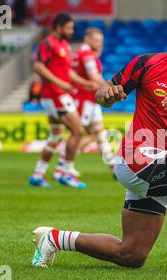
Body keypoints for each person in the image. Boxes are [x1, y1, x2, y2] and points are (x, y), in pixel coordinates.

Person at [31, 14, 167, 274]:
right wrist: (108, 95)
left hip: (162, 165)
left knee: (130, 254)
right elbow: (102, 93)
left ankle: (55, 239)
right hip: (136, 157)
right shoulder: (148, 63)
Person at [28, 13, 94, 189]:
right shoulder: (48, 43)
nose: (71, 31)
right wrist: (61, 84)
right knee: (78, 131)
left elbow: (68, 72)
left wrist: (85, 83)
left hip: (57, 94)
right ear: (58, 27)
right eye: (69, 28)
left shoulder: (64, 44)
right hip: (54, 95)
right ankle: (66, 172)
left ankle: (38, 174)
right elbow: (38, 66)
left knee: (56, 135)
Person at [54, 27, 115, 180]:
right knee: (78, 134)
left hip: (90, 99)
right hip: (84, 99)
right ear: (87, 39)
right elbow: (94, 76)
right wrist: (111, 88)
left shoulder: (84, 53)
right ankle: (61, 167)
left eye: (101, 40)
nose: (100, 43)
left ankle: (113, 166)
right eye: (96, 40)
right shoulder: (87, 54)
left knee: (99, 133)